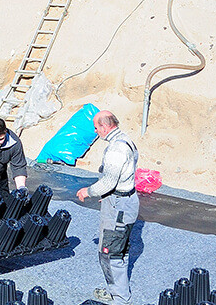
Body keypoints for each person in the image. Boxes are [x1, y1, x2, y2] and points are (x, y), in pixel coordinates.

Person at [76, 110, 139, 305]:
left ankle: (120, 298)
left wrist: (89, 191)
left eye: (96, 128)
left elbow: (109, 181)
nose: (95, 131)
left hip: (119, 206)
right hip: (126, 199)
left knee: (109, 252)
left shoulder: (116, 150)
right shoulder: (126, 140)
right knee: (120, 249)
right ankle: (117, 290)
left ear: (105, 127)